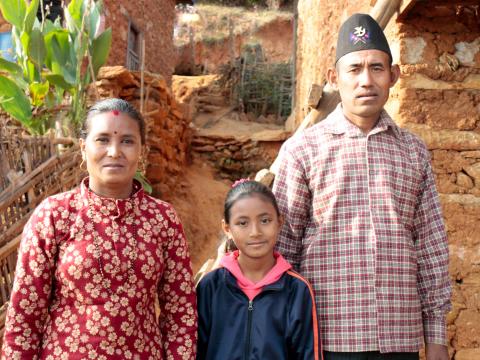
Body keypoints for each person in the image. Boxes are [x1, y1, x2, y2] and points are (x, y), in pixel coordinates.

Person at [272, 13, 451, 360]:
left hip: (400, 338)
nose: (365, 81)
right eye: (354, 69)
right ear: (333, 78)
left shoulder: (413, 151)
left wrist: (437, 340)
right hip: (326, 338)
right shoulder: (303, 150)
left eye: (376, 68)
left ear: (394, 76)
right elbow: (284, 247)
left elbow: (430, 245)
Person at [2, 98, 197, 359]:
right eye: (102, 139)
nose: (114, 151)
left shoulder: (163, 219)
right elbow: (25, 317)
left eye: (127, 141)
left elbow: (180, 313)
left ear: (142, 150)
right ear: (83, 148)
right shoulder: (54, 216)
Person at [196, 180, 321, 360]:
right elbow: (196, 350)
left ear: (280, 222)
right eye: (242, 223)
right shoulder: (210, 287)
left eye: (265, 220)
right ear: (227, 228)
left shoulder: (297, 290)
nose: (255, 232)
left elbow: (307, 354)